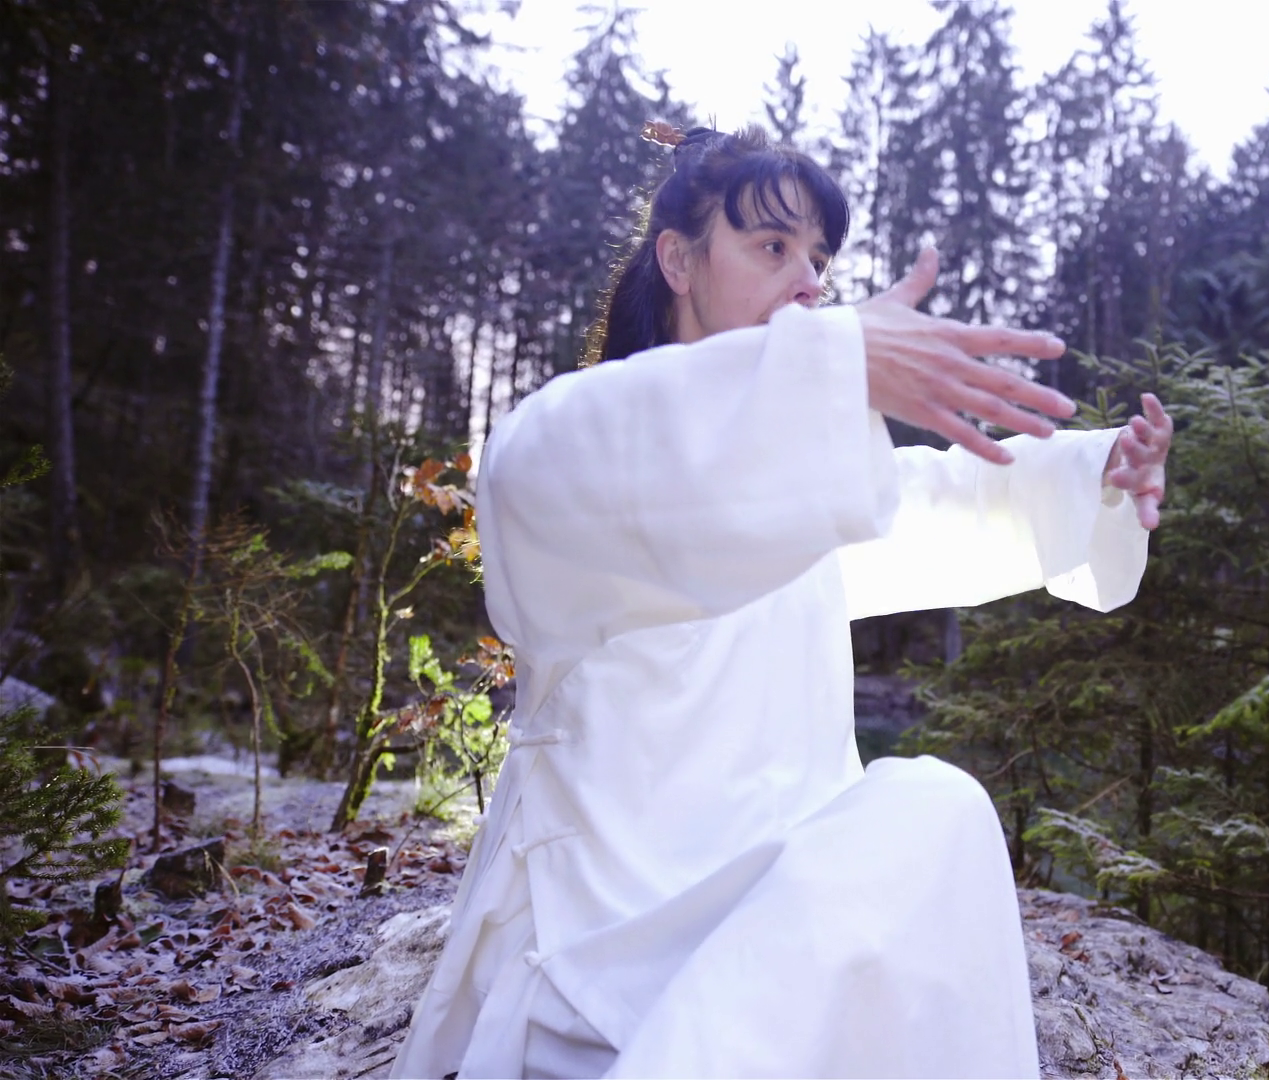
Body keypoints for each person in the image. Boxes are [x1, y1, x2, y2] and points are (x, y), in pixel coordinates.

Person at [392, 124, 1172, 1079]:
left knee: (938, 809)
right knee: (933, 811)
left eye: (819, 261)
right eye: (772, 246)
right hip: (603, 950)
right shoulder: (577, 452)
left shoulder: (800, 501)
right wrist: (831, 364)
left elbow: (950, 503)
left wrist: (1096, 473)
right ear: (678, 260)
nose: (808, 282)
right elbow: (542, 464)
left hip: (781, 913)